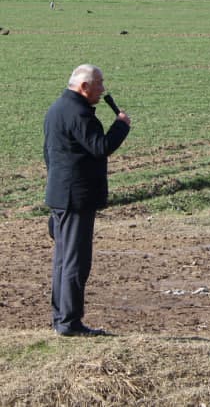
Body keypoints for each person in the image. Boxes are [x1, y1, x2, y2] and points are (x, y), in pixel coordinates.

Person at [43, 64, 132, 337]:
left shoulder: (57, 109)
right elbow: (100, 147)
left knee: (62, 260)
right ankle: (69, 323)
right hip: (76, 198)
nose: (103, 89)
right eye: (99, 84)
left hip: (60, 194)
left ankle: (62, 318)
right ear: (84, 86)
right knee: (75, 262)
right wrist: (121, 126)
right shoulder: (80, 114)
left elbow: (48, 153)